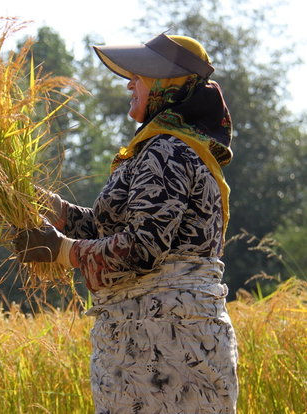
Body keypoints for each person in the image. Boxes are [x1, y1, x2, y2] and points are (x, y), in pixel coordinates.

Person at [13, 33, 239, 414]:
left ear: (169, 86)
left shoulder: (168, 150)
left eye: (140, 76)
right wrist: (38, 202)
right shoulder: (162, 148)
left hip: (167, 348)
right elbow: (107, 229)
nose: (130, 84)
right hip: (157, 339)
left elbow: (142, 248)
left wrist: (61, 251)